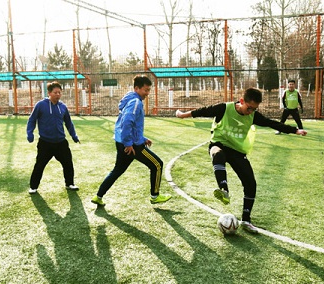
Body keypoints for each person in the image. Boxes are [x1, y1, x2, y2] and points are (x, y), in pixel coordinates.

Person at [176, 87, 307, 233]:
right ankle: (224, 189)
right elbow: (201, 111)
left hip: (237, 151)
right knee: (217, 154)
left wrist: (295, 130)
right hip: (219, 144)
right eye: (249, 108)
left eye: (254, 109)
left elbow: (272, 123)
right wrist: (182, 115)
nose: (250, 112)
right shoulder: (224, 108)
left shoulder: (253, 116)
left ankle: (246, 220)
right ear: (242, 101)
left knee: (251, 183)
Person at [91, 76, 171, 207]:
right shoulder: (136, 102)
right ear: (137, 88)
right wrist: (129, 143)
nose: (147, 93)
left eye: (149, 90)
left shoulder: (130, 99)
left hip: (122, 141)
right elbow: (127, 122)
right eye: (145, 90)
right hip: (131, 145)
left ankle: (98, 196)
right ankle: (155, 196)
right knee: (157, 164)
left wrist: (142, 139)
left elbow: (131, 125)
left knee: (118, 170)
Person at [27, 81, 80, 194]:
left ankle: (69, 183)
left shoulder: (63, 107)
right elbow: (32, 120)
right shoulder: (41, 105)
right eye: (55, 92)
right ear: (49, 93)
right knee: (39, 165)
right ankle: (33, 187)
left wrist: (74, 135)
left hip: (61, 142)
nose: (58, 94)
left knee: (68, 163)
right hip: (45, 143)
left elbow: (69, 123)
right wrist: (30, 133)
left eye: (59, 92)